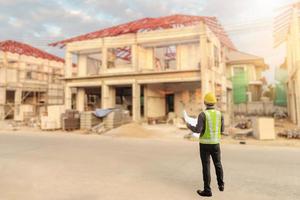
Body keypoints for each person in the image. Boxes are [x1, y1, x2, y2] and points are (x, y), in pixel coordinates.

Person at [187, 92, 224, 197]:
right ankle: (221, 185)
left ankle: (207, 190)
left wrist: (189, 125)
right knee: (218, 164)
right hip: (216, 144)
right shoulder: (219, 114)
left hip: (204, 145)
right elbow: (222, 130)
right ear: (214, 103)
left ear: (205, 103)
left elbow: (198, 130)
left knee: (206, 166)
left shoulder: (202, 115)